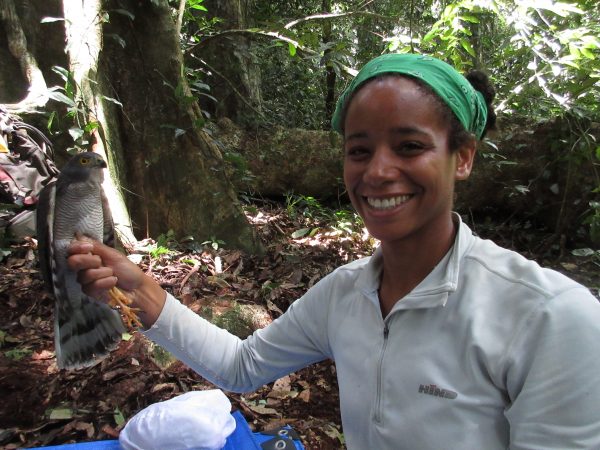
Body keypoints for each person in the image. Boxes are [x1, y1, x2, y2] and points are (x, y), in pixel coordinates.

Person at [68, 53, 600, 449]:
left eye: (410, 146)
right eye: (359, 150)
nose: (377, 171)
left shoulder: (549, 317)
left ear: (461, 157)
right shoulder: (348, 293)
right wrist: (142, 291)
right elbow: (243, 364)